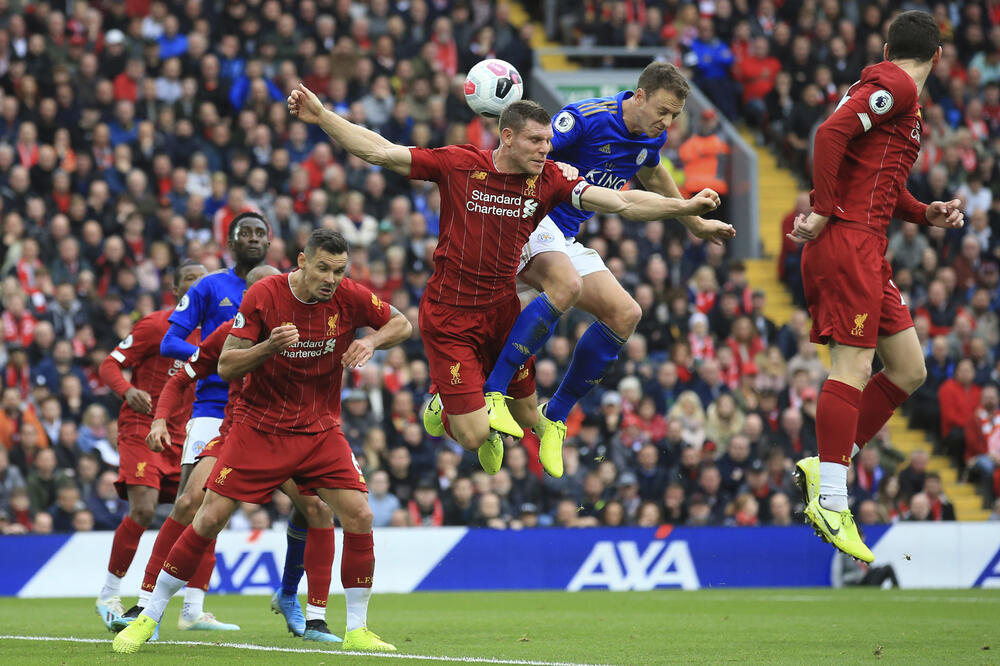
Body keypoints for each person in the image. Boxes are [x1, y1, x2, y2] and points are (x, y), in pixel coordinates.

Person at [284, 83, 719, 477]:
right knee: (473, 437)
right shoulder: (459, 165)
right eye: (535, 141)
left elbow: (620, 202)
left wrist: (683, 209)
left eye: (549, 143)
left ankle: (524, 412)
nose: (545, 151)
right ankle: (450, 406)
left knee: (529, 416)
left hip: (502, 315)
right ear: (507, 136)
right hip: (451, 317)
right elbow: (381, 151)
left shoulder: (547, 179)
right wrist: (323, 116)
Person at [113, 229, 412, 654]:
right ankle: (148, 615)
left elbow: (402, 323)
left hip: (320, 428)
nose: (331, 279)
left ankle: (355, 628)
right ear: (302, 260)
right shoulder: (263, 296)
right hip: (258, 429)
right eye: (323, 268)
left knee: (358, 515)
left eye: (339, 271)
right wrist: (269, 346)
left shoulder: (350, 296)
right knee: (207, 515)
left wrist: (370, 340)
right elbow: (229, 365)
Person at [481, 62, 734, 478]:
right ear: (639, 95)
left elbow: (651, 172)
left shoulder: (651, 135)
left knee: (626, 313)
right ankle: (493, 391)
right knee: (564, 285)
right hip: (528, 221)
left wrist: (694, 222)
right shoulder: (585, 119)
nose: (667, 122)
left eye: (674, 116)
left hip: (562, 236)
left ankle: (555, 418)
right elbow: (521, 154)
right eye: (663, 111)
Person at [787, 11, 964, 563]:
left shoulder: (895, 93)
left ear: (890, 46)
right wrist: (821, 209)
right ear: (938, 56)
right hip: (848, 242)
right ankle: (833, 500)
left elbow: (877, 179)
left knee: (910, 368)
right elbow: (829, 134)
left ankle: (829, 463)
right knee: (854, 368)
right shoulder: (897, 85)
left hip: (869, 245)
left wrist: (923, 212)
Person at [115, 266, 335, 640]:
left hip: (288, 436)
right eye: (255, 290)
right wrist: (159, 421)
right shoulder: (229, 334)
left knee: (317, 508)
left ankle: (294, 600)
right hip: (239, 434)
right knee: (189, 504)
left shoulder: (308, 329)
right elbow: (180, 378)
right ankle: (145, 605)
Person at [156, 211, 274, 626]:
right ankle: (146, 602)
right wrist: (210, 360)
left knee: (216, 510)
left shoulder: (280, 288)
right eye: (247, 233)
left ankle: (193, 610)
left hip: (265, 412)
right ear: (231, 240)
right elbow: (171, 341)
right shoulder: (210, 286)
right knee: (190, 503)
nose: (255, 239)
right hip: (212, 407)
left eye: (262, 233)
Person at [93, 260, 207, 631]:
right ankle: (109, 594)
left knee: (199, 516)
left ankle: (175, 609)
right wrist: (129, 391)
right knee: (142, 508)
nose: (196, 286)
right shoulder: (156, 325)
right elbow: (110, 365)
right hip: (142, 427)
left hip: (183, 435)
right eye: (189, 280)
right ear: (175, 291)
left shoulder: (215, 334)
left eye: (203, 282)